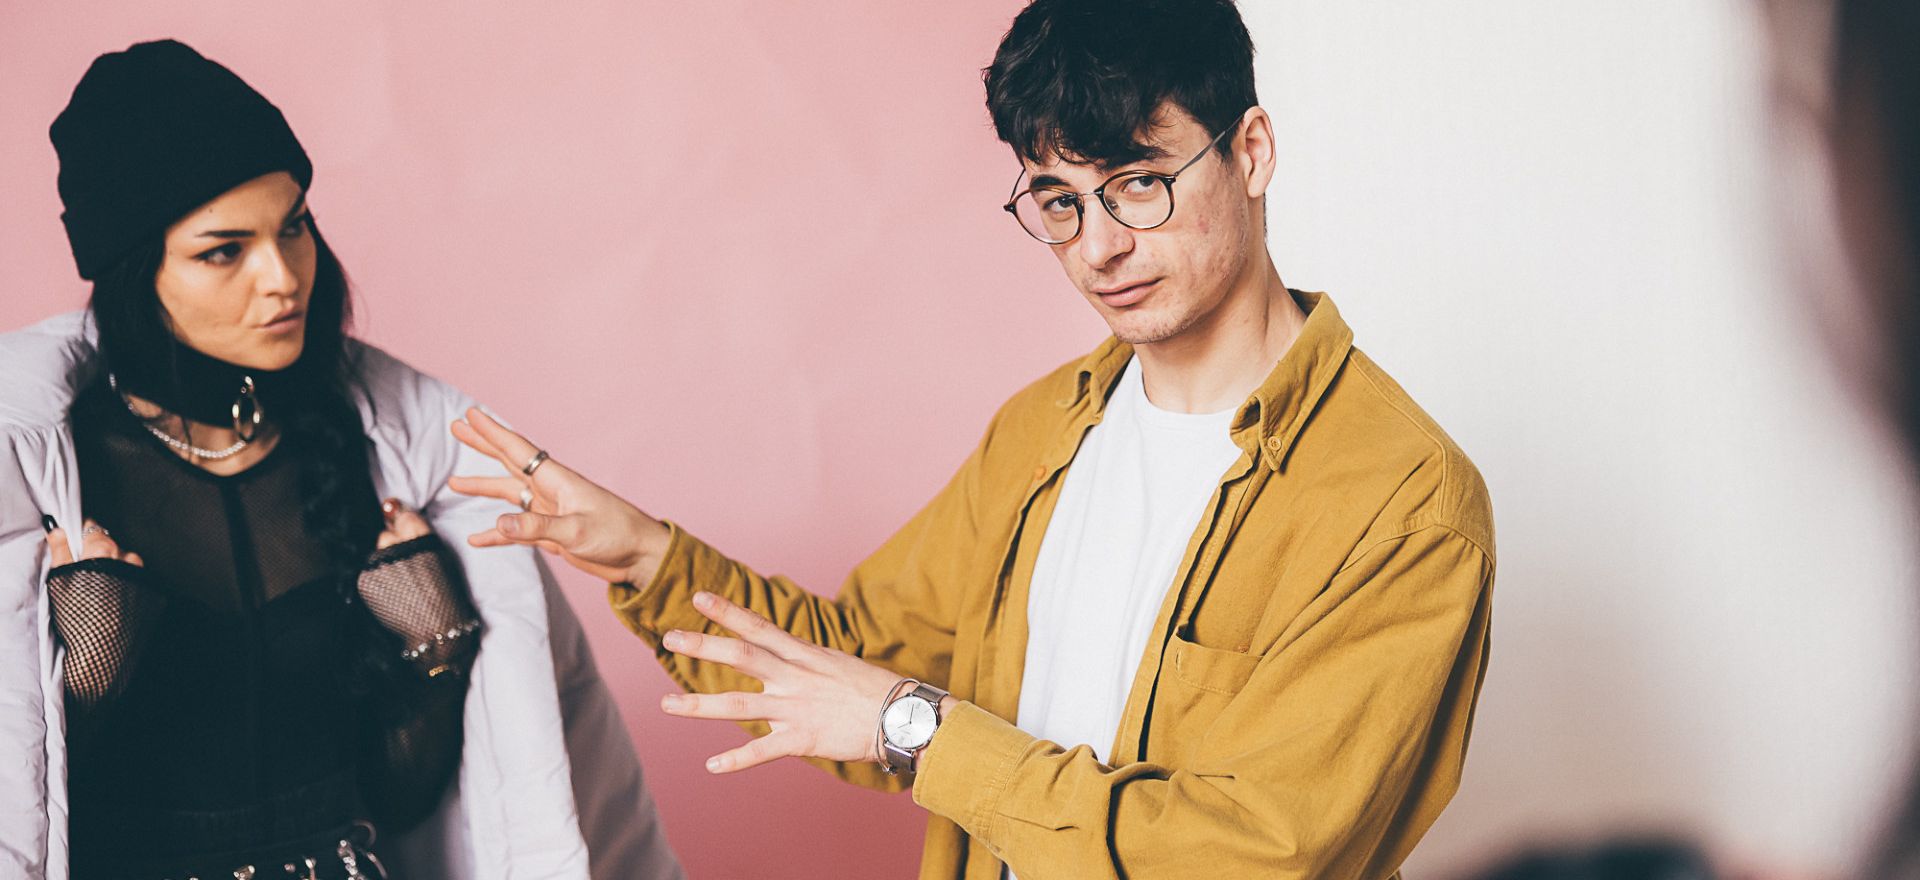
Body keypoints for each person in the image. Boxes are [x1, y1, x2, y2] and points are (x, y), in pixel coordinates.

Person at [452, 0, 1494, 877]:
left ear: (1251, 152)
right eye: (1057, 200)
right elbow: (864, 666)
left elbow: (1245, 854)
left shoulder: (1401, 497)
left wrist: (924, 731)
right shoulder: (1046, 429)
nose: (1100, 247)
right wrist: (647, 556)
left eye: (1140, 182)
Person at [0, 40, 682, 880]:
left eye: (294, 228)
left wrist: (436, 648)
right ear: (136, 272)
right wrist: (84, 684)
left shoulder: (368, 453)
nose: (283, 277)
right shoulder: (59, 472)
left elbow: (398, 804)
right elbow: (32, 825)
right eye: (224, 251)